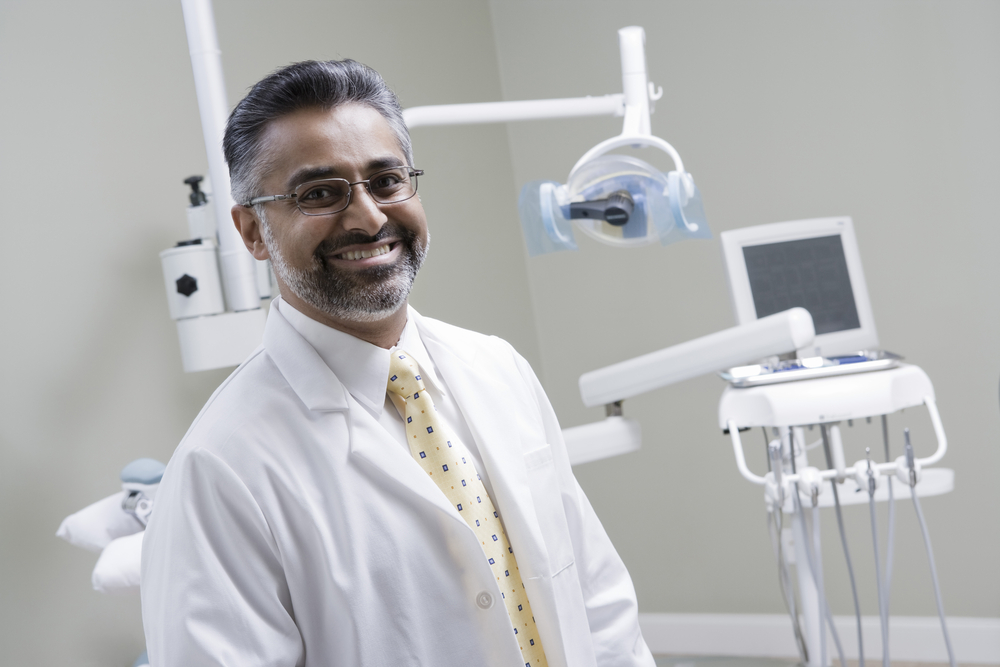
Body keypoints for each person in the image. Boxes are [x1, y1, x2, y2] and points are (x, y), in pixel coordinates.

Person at [141, 59, 655, 667]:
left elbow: (597, 600)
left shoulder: (498, 367)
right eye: (319, 194)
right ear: (252, 231)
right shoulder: (219, 469)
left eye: (386, 180)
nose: (368, 217)